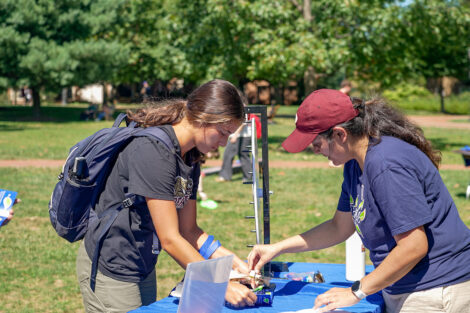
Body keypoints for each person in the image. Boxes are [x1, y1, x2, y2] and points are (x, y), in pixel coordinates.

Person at [247, 89, 470, 313]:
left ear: (340, 135)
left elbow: (414, 245)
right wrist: (277, 248)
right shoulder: (355, 164)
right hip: (406, 287)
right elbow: (339, 227)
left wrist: (356, 291)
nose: (314, 151)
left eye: (316, 143)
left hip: (436, 290)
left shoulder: (386, 164)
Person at [76, 79, 257, 312]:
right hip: (111, 265)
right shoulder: (154, 151)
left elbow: (189, 230)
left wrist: (234, 263)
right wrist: (219, 285)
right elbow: (170, 238)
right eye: (222, 133)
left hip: (141, 263)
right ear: (203, 118)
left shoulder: (191, 156)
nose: (223, 143)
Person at [217, 113, 261, 182]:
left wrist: (235, 135)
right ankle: (248, 176)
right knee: (243, 155)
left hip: (241, 135)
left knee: (229, 155)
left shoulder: (240, 105)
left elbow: (243, 122)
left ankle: (225, 176)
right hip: (243, 135)